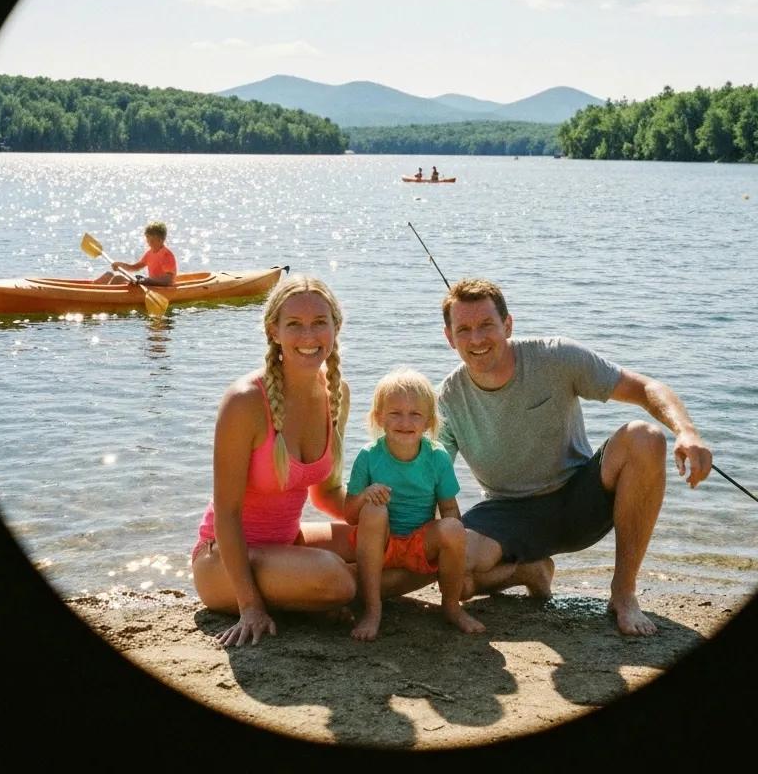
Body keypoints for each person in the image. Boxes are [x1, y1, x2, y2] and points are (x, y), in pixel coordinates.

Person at [395, 277, 713, 637]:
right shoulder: (447, 399)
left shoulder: (555, 357)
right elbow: (427, 477)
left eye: (486, 325)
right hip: (507, 511)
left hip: (578, 498)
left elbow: (645, 388)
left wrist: (686, 431)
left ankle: (623, 593)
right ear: (449, 338)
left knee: (645, 437)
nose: (477, 339)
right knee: (454, 574)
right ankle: (528, 572)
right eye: (463, 329)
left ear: (508, 325)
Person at [190, 273, 357, 646]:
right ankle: (314, 594)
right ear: (273, 331)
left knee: (383, 544)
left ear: (336, 326)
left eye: (319, 323)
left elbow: (325, 494)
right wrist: (250, 606)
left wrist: (381, 518)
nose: (309, 336)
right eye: (294, 324)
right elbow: (227, 514)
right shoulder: (245, 401)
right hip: (224, 563)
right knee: (338, 578)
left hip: (287, 546)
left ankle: (310, 595)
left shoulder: (336, 393)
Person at [344, 367, 486, 641]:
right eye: (395, 413)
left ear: (429, 422)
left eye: (415, 414)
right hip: (380, 543)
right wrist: (365, 496)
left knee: (455, 528)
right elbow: (350, 515)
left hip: (420, 544)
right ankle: (373, 610)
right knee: (373, 510)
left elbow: (448, 509)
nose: (405, 421)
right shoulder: (368, 456)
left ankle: (451, 606)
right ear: (378, 417)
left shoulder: (437, 457)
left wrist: (455, 546)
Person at [93, 220, 177, 286]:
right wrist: (120, 264)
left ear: (161, 240)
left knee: (118, 278)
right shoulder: (150, 253)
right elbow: (135, 267)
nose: (149, 243)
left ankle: (105, 297)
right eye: (147, 240)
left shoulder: (166, 255)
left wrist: (147, 280)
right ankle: (93, 289)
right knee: (109, 274)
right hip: (149, 284)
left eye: (152, 241)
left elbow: (168, 280)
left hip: (158, 288)